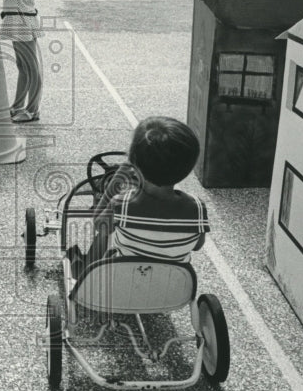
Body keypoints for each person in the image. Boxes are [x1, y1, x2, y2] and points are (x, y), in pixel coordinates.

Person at [66, 117, 209, 277]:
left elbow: (98, 224)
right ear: (187, 169)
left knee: (107, 232)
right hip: (171, 288)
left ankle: (87, 271)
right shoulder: (197, 207)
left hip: (120, 284)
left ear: (134, 162)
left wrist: (116, 182)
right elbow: (197, 245)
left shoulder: (123, 204)